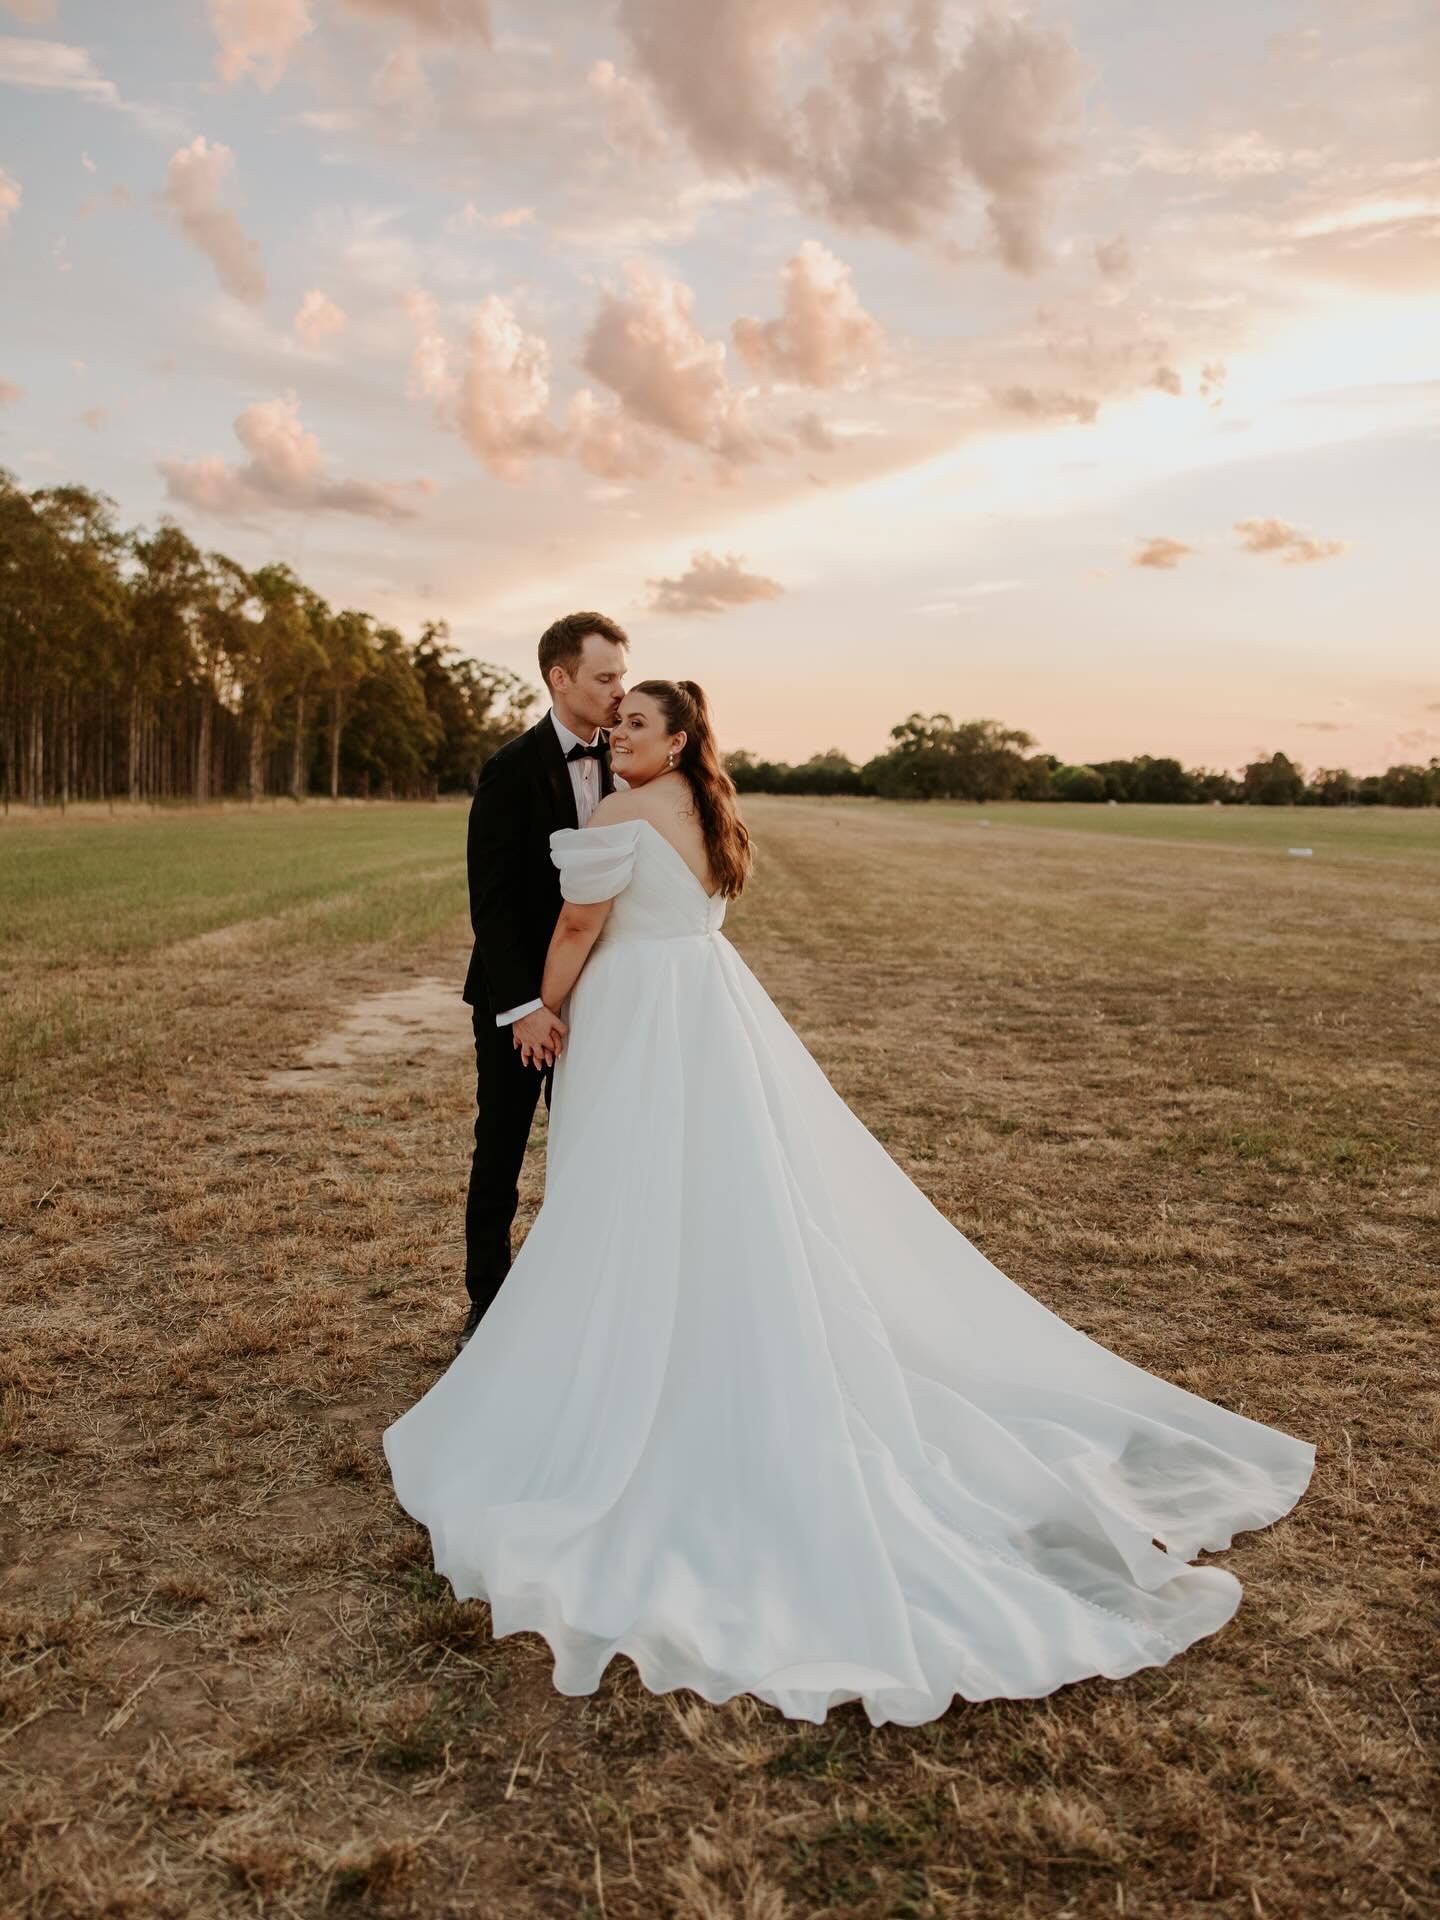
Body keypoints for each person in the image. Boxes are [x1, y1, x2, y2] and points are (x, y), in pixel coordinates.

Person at [387, 679, 1314, 1726]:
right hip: (708, 1003)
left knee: (627, 1184)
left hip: (642, 1011)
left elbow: (578, 925)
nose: (617, 734)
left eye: (637, 724)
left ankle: (634, 1347)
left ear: (678, 738)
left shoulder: (617, 811)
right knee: (717, 1179)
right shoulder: (708, 806)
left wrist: (541, 1013)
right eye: (617, 723)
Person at [458, 610, 628, 1350]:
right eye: (605, 677)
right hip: (519, 1001)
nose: (620, 691)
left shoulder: (633, 763)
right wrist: (525, 1005)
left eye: (622, 675)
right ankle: (487, 1311)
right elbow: (488, 901)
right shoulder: (510, 768)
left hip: (608, 996)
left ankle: (576, 1300)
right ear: (560, 679)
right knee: (501, 1147)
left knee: (590, 1146)